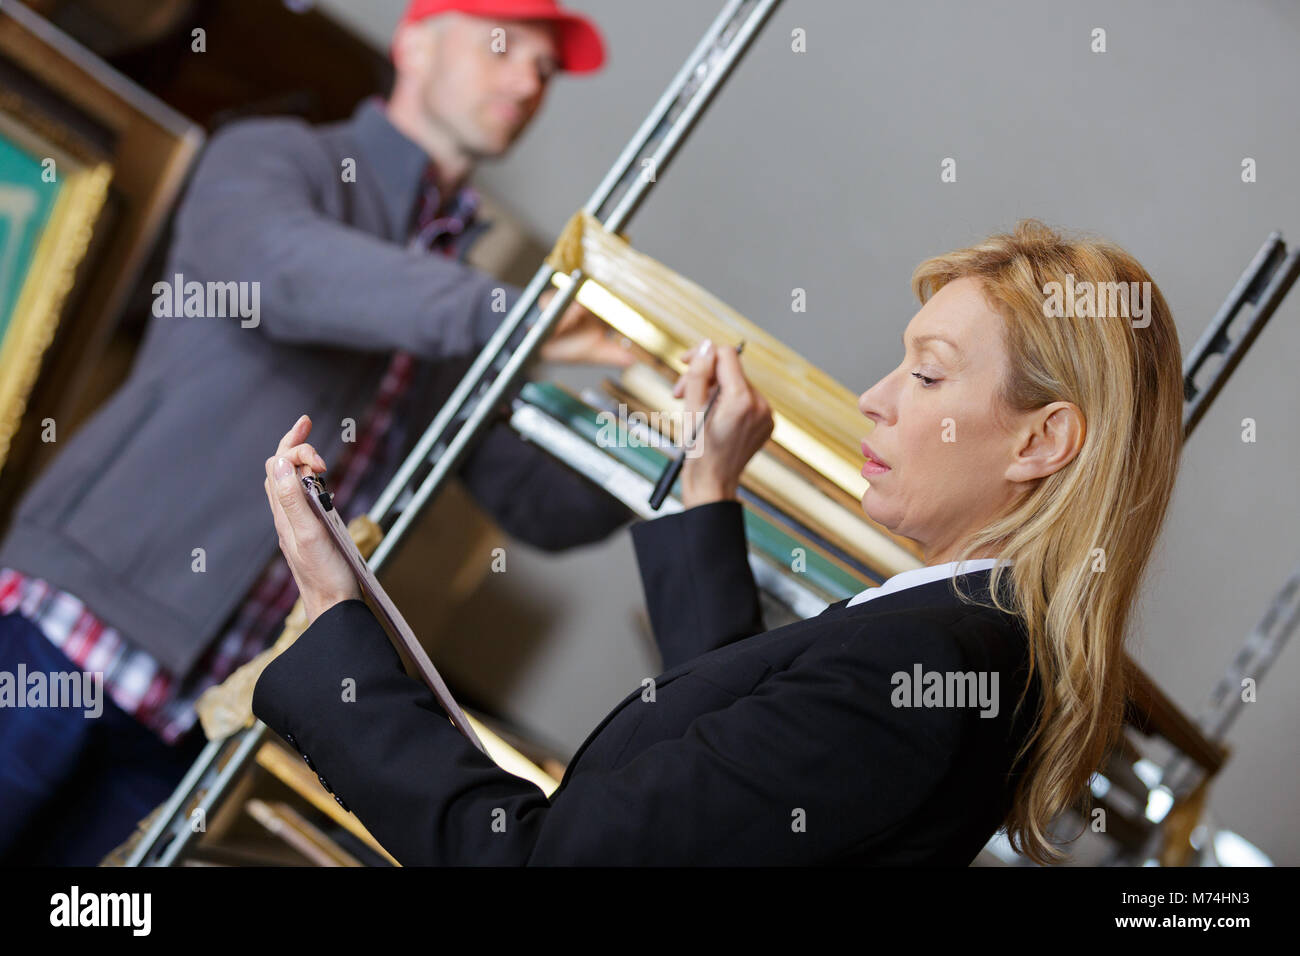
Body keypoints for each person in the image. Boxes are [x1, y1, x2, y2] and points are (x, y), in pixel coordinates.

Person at [253, 219, 1184, 865]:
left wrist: (336, 626)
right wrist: (706, 487)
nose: (878, 397)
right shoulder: (957, 639)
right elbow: (744, 754)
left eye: (929, 375)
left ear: (1040, 442)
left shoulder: (934, 659)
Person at [0, 0, 631, 865]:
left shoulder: (448, 289)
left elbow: (539, 501)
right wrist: (500, 313)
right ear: (414, 42)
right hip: (68, 638)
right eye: (504, 48)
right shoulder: (276, 157)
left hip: (204, 718)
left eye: (545, 72)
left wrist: (666, 432)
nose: (527, 81)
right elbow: (281, 269)